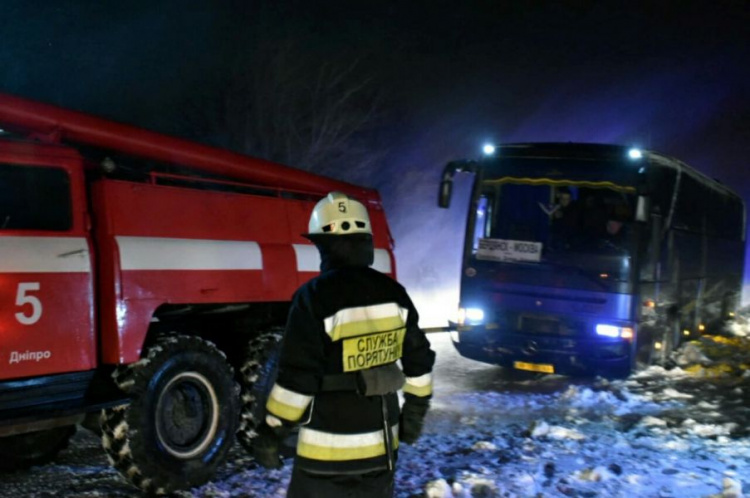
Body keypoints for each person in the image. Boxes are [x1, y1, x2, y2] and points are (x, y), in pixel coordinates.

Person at [252, 191, 436, 498]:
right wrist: (414, 413)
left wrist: (273, 430)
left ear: (326, 246)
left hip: (325, 459)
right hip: (381, 451)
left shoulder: (313, 297)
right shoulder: (394, 293)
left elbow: (298, 379)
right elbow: (420, 362)